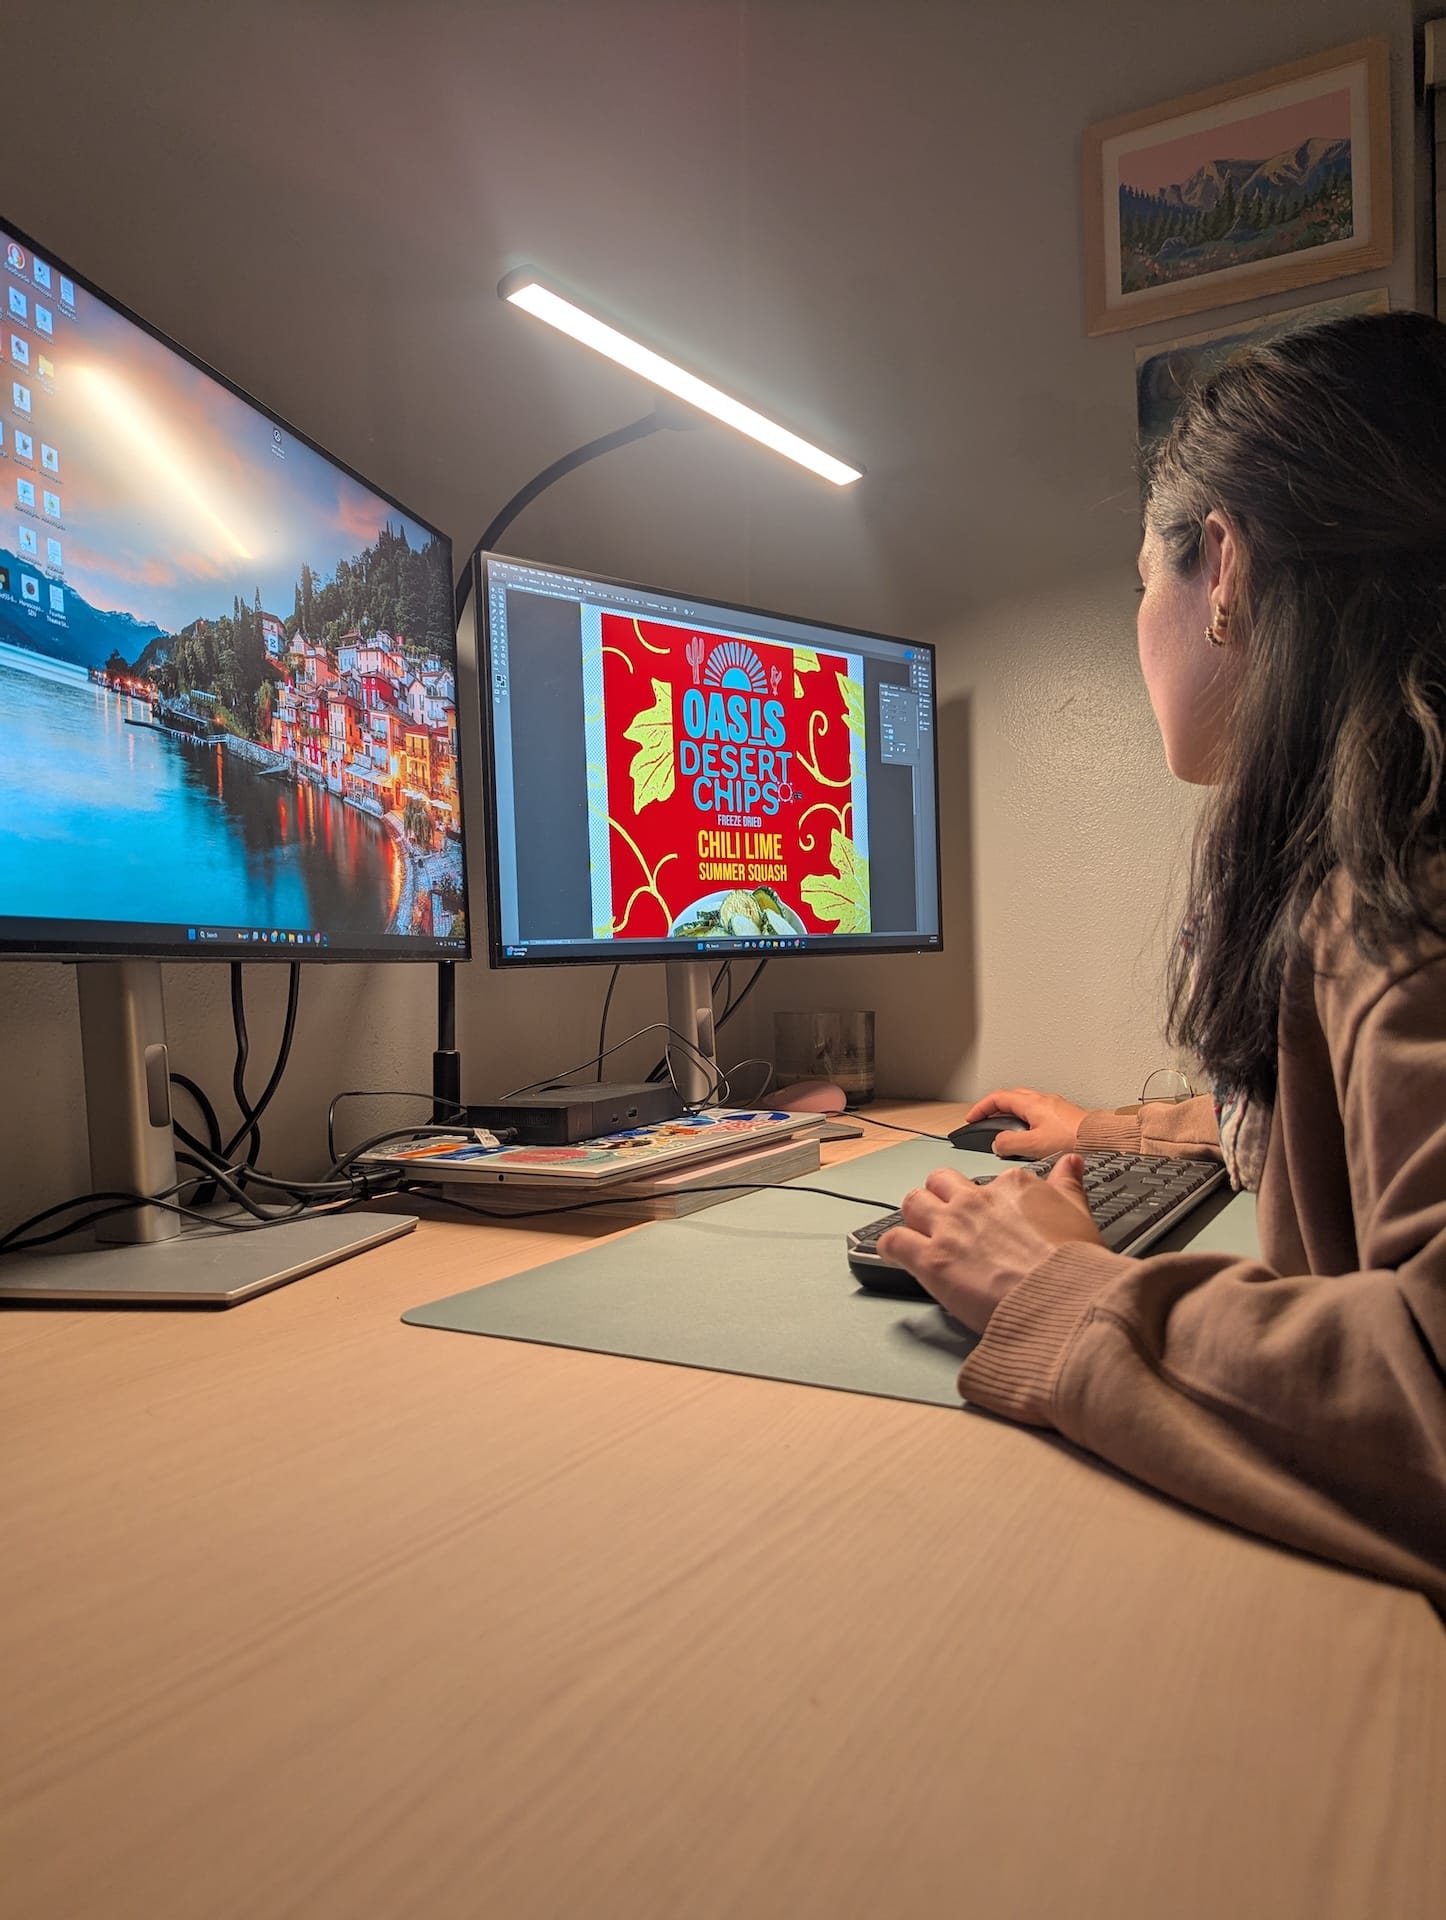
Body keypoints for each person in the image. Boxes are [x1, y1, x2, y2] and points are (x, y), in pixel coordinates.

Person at [878, 311, 1446, 1609]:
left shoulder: (1403, 896)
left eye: (1143, 576)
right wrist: (1139, 1131)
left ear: (1225, 569)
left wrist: (1055, 1287)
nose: (1143, 620)